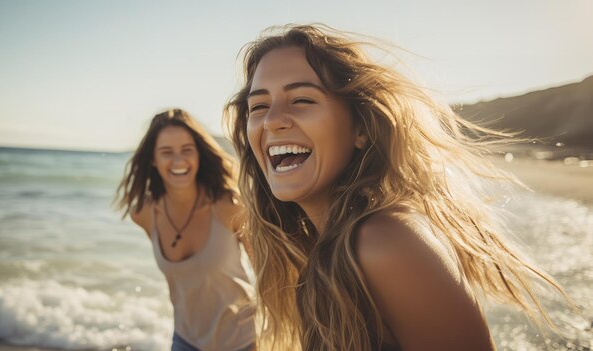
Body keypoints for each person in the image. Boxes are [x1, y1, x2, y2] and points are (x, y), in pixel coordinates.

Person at [224, 25, 572, 350]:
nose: (272, 120)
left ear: (359, 128)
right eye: (259, 106)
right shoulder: (328, 247)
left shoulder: (382, 241)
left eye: (302, 100)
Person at [116, 108, 256, 351]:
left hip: (243, 341)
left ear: (198, 154)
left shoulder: (228, 206)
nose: (179, 161)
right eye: (166, 152)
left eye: (187, 150)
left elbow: (269, 274)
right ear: (153, 159)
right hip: (185, 341)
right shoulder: (145, 214)